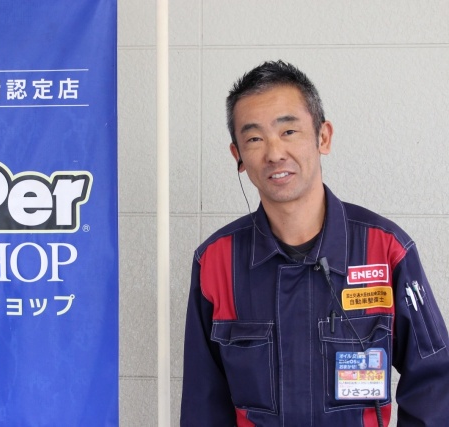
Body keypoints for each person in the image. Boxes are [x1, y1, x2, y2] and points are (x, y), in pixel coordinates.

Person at [180, 60, 449, 426]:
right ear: (238, 156)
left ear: (323, 137)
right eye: (255, 138)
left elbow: (435, 386)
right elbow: (203, 406)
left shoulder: (386, 250)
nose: (274, 153)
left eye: (288, 131)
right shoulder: (216, 262)